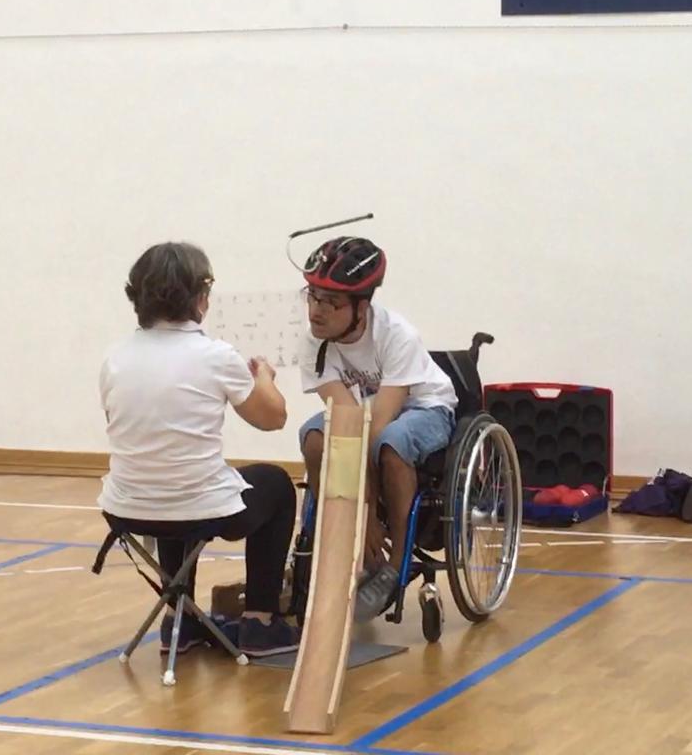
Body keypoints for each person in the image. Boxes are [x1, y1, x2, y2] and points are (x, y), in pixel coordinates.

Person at [98, 241, 300, 657]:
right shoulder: (216, 356)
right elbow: (273, 418)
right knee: (276, 484)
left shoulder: (114, 358)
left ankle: (181, 617)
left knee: (171, 481)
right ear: (200, 297)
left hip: (126, 508)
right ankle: (260, 622)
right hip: (197, 507)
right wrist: (264, 378)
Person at [298, 236, 458, 622]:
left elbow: (377, 428)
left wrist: (368, 513)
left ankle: (395, 563)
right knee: (315, 437)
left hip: (424, 407)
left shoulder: (397, 335)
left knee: (391, 441)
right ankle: (334, 545)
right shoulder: (313, 343)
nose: (316, 311)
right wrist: (362, 517)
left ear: (361, 306)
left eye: (331, 302)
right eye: (312, 297)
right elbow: (347, 423)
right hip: (366, 414)